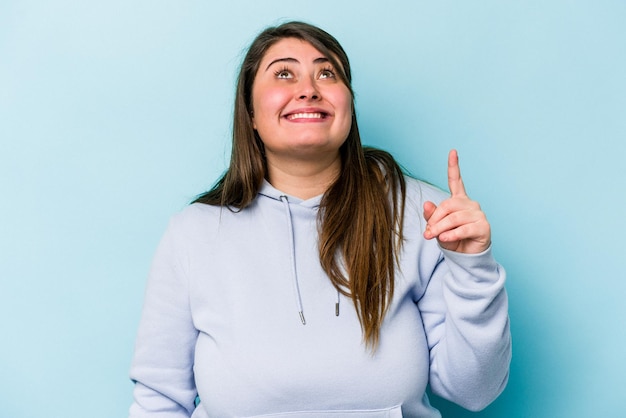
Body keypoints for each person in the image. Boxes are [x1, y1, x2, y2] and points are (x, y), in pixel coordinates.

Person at [128, 21, 511, 418]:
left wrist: (473, 269)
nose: (308, 88)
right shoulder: (194, 232)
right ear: (251, 114)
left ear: (348, 104)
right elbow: (158, 399)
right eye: (283, 73)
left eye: (327, 73)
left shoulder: (423, 214)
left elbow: (473, 391)